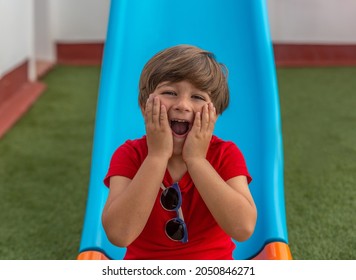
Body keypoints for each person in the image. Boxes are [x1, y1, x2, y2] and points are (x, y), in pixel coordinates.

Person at [102, 44, 257, 260]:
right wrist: (156, 157)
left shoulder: (225, 154)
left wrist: (196, 160)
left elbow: (243, 228)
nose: (182, 105)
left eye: (198, 97)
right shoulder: (129, 154)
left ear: (216, 113)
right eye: (170, 92)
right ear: (144, 106)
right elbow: (119, 234)